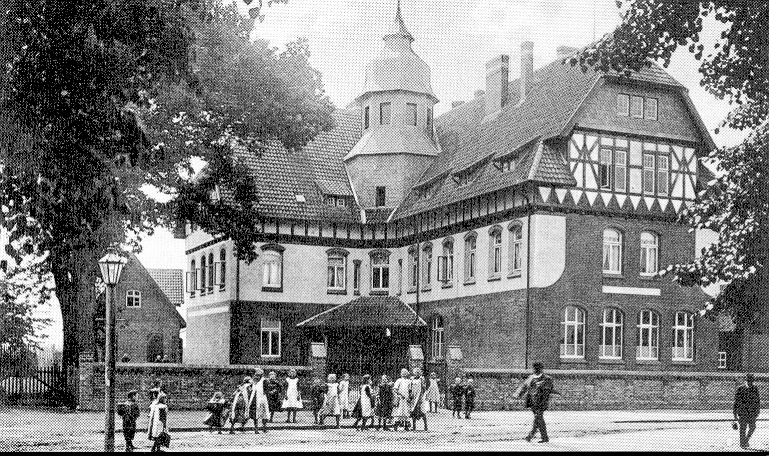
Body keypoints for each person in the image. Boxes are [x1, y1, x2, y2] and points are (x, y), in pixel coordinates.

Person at [515, 362, 558, 444]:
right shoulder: (531, 378)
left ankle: (531, 435)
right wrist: (517, 394)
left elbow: (548, 390)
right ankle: (544, 438)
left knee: (538, 417)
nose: (536, 370)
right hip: (532, 402)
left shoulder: (547, 379)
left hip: (541, 402)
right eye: (535, 368)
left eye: (537, 368)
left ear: (541, 369)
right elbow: (524, 387)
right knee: (538, 419)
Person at [733, 373, 761, 448]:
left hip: (752, 412)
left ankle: (746, 440)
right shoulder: (740, 388)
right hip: (743, 412)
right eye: (748, 381)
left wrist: (758, 410)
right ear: (746, 380)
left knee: (753, 427)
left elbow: (758, 401)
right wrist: (735, 414)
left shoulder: (755, 388)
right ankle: (742, 444)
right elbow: (736, 402)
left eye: (751, 381)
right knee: (743, 428)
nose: (750, 383)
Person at [249, 368, 270, 433]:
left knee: (264, 413)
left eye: (259, 375)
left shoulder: (264, 381)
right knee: (255, 414)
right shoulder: (252, 381)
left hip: (262, 398)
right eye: (256, 375)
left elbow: (266, 390)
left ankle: (264, 427)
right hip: (254, 398)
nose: (257, 376)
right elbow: (249, 388)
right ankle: (256, 428)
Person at [409, 367, 429, 431]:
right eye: (415, 372)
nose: (416, 373)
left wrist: (422, 396)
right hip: (413, 397)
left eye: (418, 372)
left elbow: (424, 387)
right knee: (413, 411)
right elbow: (410, 387)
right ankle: (414, 427)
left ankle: (425, 426)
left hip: (419, 396)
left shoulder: (421, 378)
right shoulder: (411, 379)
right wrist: (410, 394)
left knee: (422, 411)